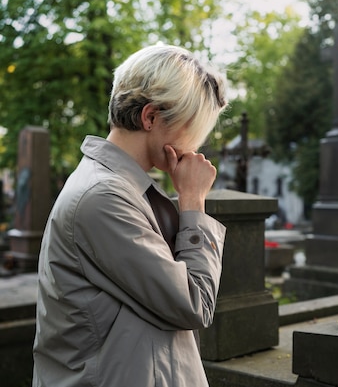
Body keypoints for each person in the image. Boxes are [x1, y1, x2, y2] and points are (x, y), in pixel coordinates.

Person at [32, 44, 229, 387]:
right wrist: (194, 201)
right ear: (150, 117)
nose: (193, 148)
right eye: (191, 130)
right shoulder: (103, 198)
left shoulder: (124, 189)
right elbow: (195, 304)